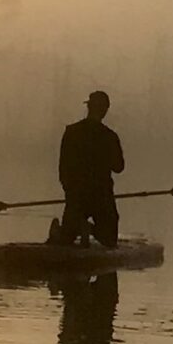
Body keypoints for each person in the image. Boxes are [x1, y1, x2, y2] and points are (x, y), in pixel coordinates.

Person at [57, 89, 124, 247]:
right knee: (109, 239)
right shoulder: (109, 136)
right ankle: (90, 229)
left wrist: (69, 191)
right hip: (101, 196)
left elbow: (63, 167)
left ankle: (68, 230)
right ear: (105, 110)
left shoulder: (71, 132)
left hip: (76, 195)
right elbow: (119, 167)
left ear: (89, 107)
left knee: (67, 237)